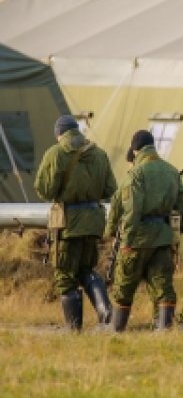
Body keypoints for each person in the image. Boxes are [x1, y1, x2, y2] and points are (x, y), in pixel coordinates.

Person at [34, 115, 117, 331]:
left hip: (68, 224)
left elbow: (44, 190)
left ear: (59, 134)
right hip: (93, 222)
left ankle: (74, 328)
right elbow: (110, 189)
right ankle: (106, 312)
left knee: (65, 275)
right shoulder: (99, 153)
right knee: (86, 269)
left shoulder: (56, 153)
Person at [105, 130, 182, 332]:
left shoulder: (136, 174)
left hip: (138, 237)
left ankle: (116, 328)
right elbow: (180, 204)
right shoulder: (172, 171)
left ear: (135, 149)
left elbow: (132, 211)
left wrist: (126, 241)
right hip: (163, 236)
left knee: (124, 284)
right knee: (163, 283)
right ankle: (164, 329)